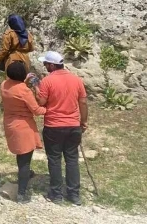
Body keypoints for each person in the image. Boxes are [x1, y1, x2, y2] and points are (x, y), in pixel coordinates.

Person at [36, 51, 88, 205]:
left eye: (46, 64)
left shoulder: (47, 81)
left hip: (54, 126)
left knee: (54, 159)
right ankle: (74, 194)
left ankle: (56, 194)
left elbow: (41, 102)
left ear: (52, 65)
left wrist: (36, 88)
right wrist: (83, 122)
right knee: (72, 160)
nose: (45, 66)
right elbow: (83, 102)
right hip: (73, 125)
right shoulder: (76, 79)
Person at [1, 61, 46, 202]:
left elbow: (15, 90)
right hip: (24, 127)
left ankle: (25, 175)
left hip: (10, 124)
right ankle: (21, 193)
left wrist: (24, 82)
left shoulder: (4, 85)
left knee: (21, 155)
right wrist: (51, 110)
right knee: (25, 161)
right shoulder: (24, 90)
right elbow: (37, 110)